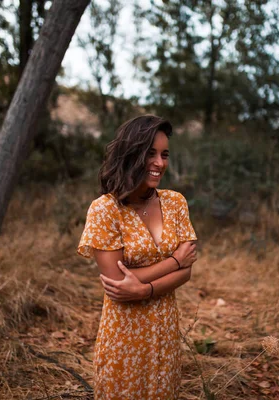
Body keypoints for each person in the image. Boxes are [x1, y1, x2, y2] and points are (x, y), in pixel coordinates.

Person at [77, 115, 198, 399]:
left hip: (165, 330)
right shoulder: (105, 210)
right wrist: (174, 262)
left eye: (164, 154)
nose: (159, 163)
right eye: (150, 153)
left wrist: (145, 289)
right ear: (131, 154)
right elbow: (117, 282)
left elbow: (188, 272)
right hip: (124, 335)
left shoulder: (175, 202)